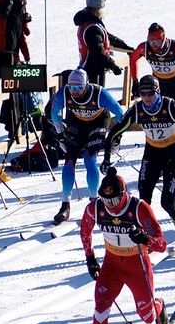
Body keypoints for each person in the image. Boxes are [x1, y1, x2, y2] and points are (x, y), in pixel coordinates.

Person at [80, 166, 169, 324]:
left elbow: (162, 244)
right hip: (112, 265)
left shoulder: (138, 208)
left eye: (114, 199)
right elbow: (85, 230)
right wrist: (90, 258)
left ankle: (158, 307)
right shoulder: (96, 208)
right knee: (100, 308)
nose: (110, 205)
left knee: (146, 316)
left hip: (137, 264)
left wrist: (145, 238)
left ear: (124, 194)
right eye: (106, 200)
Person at [105, 75, 175, 249]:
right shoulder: (138, 109)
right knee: (143, 201)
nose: (147, 97)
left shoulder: (169, 105)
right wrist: (106, 158)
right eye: (143, 93)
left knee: (167, 202)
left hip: (173, 154)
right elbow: (114, 132)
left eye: (150, 93)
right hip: (152, 154)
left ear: (157, 92)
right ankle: (147, 236)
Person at [50, 67, 124, 225]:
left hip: (98, 122)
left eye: (79, 88)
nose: (75, 91)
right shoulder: (64, 92)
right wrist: (59, 131)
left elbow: (119, 113)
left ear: (86, 85)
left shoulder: (99, 93)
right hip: (76, 122)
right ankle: (65, 204)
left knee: (90, 160)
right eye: (72, 87)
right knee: (69, 162)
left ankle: (94, 202)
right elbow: (54, 111)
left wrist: (116, 135)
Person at [127, 23, 175, 105]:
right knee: (158, 112)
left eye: (157, 42)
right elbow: (133, 58)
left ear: (164, 39)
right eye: (151, 42)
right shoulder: (143, 47)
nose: (154, 46)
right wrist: (135, 81)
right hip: (158, 82)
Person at [74, 0, 129, 87]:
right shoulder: (93, 28)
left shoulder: (89, 23)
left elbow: (107, 37)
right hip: (94, 72)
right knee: (97, 98)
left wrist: (127, 47)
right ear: (99, 9)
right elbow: (98, 52)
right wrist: (113, 66)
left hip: (90, 69)